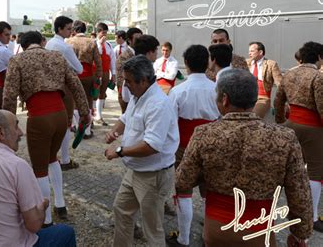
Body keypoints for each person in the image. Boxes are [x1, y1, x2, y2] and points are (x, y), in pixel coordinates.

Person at [176, 69, 313, 246]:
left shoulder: (204, 134)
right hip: (260, 230)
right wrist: (299, 234)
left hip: (217, 229)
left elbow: (182, 181)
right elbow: (300, 193)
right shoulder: (284, 138)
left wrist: (209, 170)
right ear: (254, 99)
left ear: (224, 99)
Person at [3, 31, 90, 226]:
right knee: (52, 158)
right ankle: (60, 204)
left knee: (39, 169)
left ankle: (47, 219)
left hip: (39, 117)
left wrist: (7, 123)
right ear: (41, 42)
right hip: (60, 115)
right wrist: (84, 112)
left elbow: (9, 96)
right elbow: (75, 84)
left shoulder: (17, 60)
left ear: (23, 45)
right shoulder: (56, 56)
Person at [0, 110, 77, 247]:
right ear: (1, 132)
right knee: (65, 232)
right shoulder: (16, 165)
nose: (21, 132)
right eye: (16, 126)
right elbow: (34, 225)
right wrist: (43, 207)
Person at [104, 55, 178, 246]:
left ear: (144, 80)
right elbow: (126, 118)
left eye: (128, 81)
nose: (126, 85)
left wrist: (119, 151)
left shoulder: (158, 104)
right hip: (136, 170)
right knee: (121, 210)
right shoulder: (139, 96)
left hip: (153, 175)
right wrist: (114, 131)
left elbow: (151, 146)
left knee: (151, 228)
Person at [166, 45, 220, 247]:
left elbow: (170, 124)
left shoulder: (178, 91)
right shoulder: (217, 89)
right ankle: (210, 237)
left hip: (184, 146)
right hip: (212, 144)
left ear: (186, 64)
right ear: (207, 63)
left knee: (183, 191)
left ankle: (183, 239)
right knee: (211, 192)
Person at [274, 42, 323, 233]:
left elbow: (278, 101)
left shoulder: (290, 73)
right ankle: (309, 217)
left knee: (290, 169)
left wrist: (280, 123)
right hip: (313, 129)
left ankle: (288, 209)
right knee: (316, 174)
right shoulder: (317, 77)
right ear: (318, 57)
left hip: (291, 124)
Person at [46, 16, 83, 172]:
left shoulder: (49, 44)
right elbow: (79, 69)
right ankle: (65, 159)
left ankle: (52, 157)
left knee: (53, 122)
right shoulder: (65, 47)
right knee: (66, 123)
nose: (70, 31)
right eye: (68, 28)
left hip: (49, 86)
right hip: (64, 86)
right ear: (60, 29)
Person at [66, 20, 101, 144]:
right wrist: (98, 76)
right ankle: (86, 130)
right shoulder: (91, 42)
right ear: (85, 30)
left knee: (75, 102)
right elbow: (98, 61)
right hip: (88, 75)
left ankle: (75, 125)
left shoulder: (68, 41)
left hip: (73, 75)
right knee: (88, 101)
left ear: (74, 30)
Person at [247, 41, 282, 119]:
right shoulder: (246, 63)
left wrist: (283, 102)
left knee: (253, 116)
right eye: (249, 51)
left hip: (262, 98)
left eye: (252, 51)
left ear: (260, 52)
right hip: (246, 97)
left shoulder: (271, 64)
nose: (249, 53)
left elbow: (280, 84)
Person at [121, 34, 159, 104]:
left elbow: (125, 97)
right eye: (156, 49)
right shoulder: (137, 70)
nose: (157, 53)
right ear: (150, 52)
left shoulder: (131, 67)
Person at [115, 27, 142, 113]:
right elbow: (121, 80)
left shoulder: (140, 54)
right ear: (129, 40)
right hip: (128, 95)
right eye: (137, 39)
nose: (140, 42)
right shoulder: (124, 57)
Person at [94, 22, 116, 126]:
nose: (105, 35)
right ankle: (92, 116)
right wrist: (99, 43)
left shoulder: (109, 45)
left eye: (106, 33)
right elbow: (96, 54)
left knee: (102, 93)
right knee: (94, 93)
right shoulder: (93, 43)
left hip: (106, 71)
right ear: (98, 32)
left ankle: (99, 116)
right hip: (95, 72)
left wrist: (114, 74)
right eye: (103, 33)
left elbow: (112, 60)